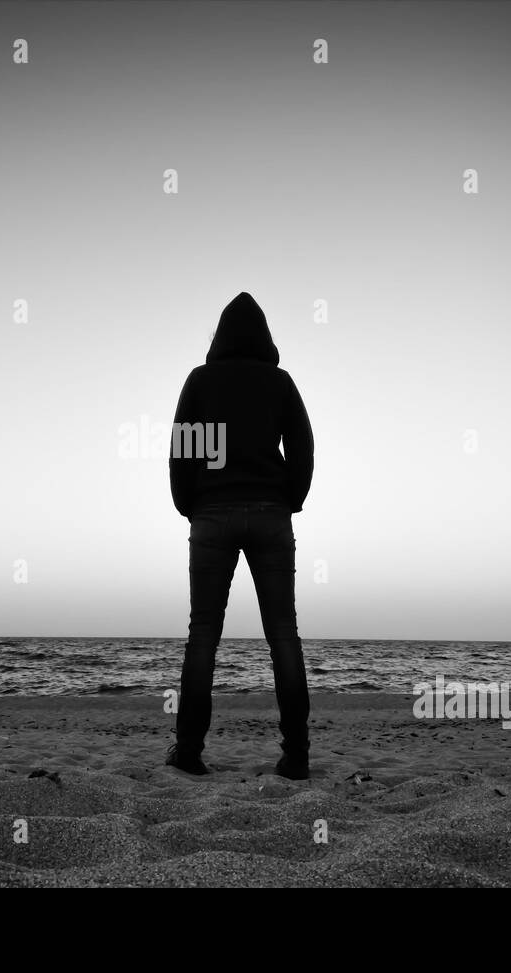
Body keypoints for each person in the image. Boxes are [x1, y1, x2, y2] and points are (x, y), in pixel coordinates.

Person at [166, 292, 315, 779]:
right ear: (265, 337)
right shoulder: (279, 383)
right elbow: (302, 446)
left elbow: (184, 449)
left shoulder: (202, 381)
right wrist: (291, 498)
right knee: (283, 634)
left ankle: (188, 751)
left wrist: (189, 504)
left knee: (203, 634)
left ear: (219, 337)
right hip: (271, 515)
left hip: (212, 514)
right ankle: (296, 756)